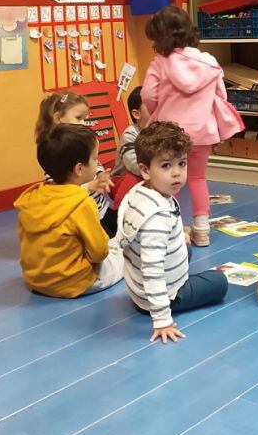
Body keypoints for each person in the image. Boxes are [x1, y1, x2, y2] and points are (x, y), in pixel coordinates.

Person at [117, 122, 228, 343]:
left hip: (137, 288)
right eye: (166, 166)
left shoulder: (139, 192)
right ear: (145, 170)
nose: (177, 173)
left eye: (182, 163)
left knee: (185, 248)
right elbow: (152, 270)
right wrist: (162, 319)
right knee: (219, 281)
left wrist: (178, 234)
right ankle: (167, 300)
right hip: (161, 298)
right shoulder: (155, 218)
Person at [142, 6, 243, 246]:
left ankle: (167, 228)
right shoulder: (209, 61)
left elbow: (148, 94)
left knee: (166, 181)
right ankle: (201, 231)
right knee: (197, 178)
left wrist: (158, 109)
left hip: (168, 133)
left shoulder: (161, 62)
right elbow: (221, 95)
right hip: (202, 131)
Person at [14, 123, 122, 298]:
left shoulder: (33, 197)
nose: (97, 164)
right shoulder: (80, 202)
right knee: (126, 252)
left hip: (37, 281)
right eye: (95, 159)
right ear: (79, 168)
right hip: (77, 282)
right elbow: (99, 252)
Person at [34, 91, 114, 234]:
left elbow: (94, 160)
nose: (83, 123)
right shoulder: (55, 152)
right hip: (81, 216)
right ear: (58, 118)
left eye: (85, 118)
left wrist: (100, 173)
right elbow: (60, 195)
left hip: (100, 208)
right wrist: (90, 186)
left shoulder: (83, 142)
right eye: (78, 118)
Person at [110, 85, 146, 208]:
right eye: (152, 106)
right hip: (120, 179)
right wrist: (155, 173)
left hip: (148, 174)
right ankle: (121, 212)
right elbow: (132, 163)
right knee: (132, 179)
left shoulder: (159, 132)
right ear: (137, 114)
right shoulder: (130, 133)